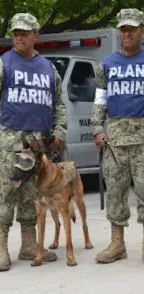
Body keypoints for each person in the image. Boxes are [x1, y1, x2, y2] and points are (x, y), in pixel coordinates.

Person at [91, 8, 144, 265]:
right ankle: (117, 244)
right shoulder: (106, 64)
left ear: (142, 31)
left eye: (132, 28)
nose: (127, 33)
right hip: (115, 139)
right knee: (115, 191)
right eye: (123, 29)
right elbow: (100, 100)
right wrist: (97, 128)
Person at [0, 13, 67, 271]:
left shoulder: (48, 68)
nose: (19, 37)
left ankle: (29, 246)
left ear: (35, 36)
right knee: (5, 194)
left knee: (31, 196)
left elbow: (59, 103)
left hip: (38, 143)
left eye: (24, 33)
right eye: (16, 32)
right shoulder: (4, 63)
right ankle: (2, 249)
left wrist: (59, 132)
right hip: (9, 140)